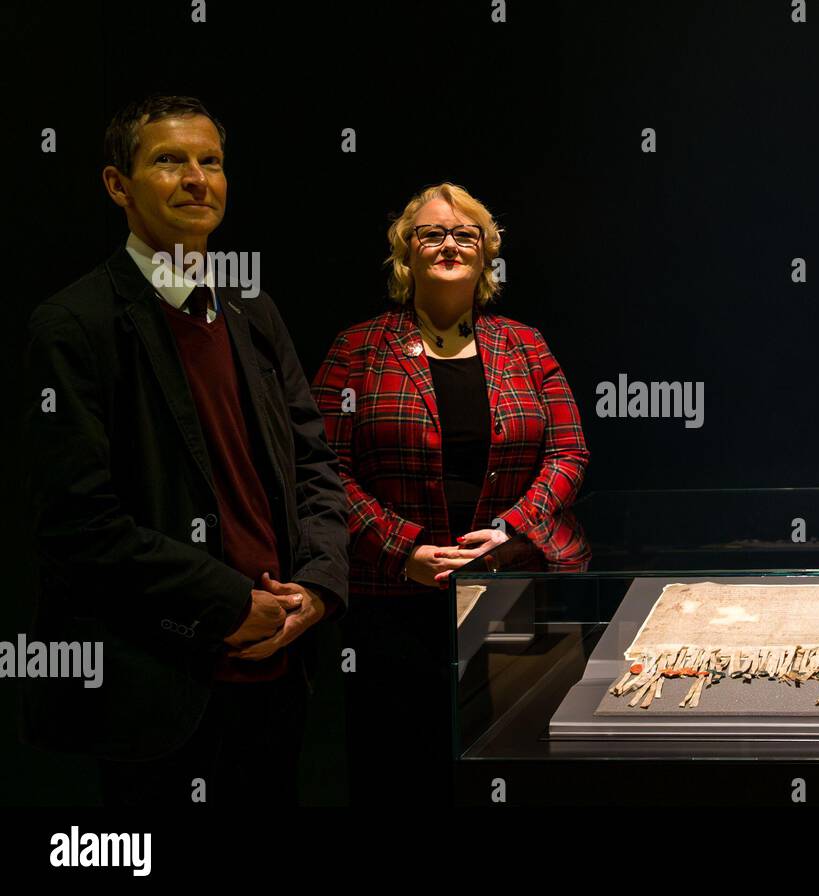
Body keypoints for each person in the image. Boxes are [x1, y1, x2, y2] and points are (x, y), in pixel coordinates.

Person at [21, 95, 350, 805]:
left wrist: (319, 590)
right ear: (118, 185)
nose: (197, 178)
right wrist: (231, 603)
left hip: (281, 671)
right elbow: (79, 525)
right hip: (162, 685)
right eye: (169, 161)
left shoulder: (253, 308)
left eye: (212, 162)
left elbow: (316, 465)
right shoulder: (72, 326)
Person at [311, 182, 589, 804]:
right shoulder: (358, 348)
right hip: (392, 602)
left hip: (515, 587)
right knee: (401, 779)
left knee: (519, 772)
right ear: (404, 254)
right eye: (431, 233)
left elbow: (569, 451)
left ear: (486, 255)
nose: (449, 245)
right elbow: (323, 466)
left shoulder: (526, 344)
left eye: (466, 235)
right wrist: (400, 548)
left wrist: (513, 530)